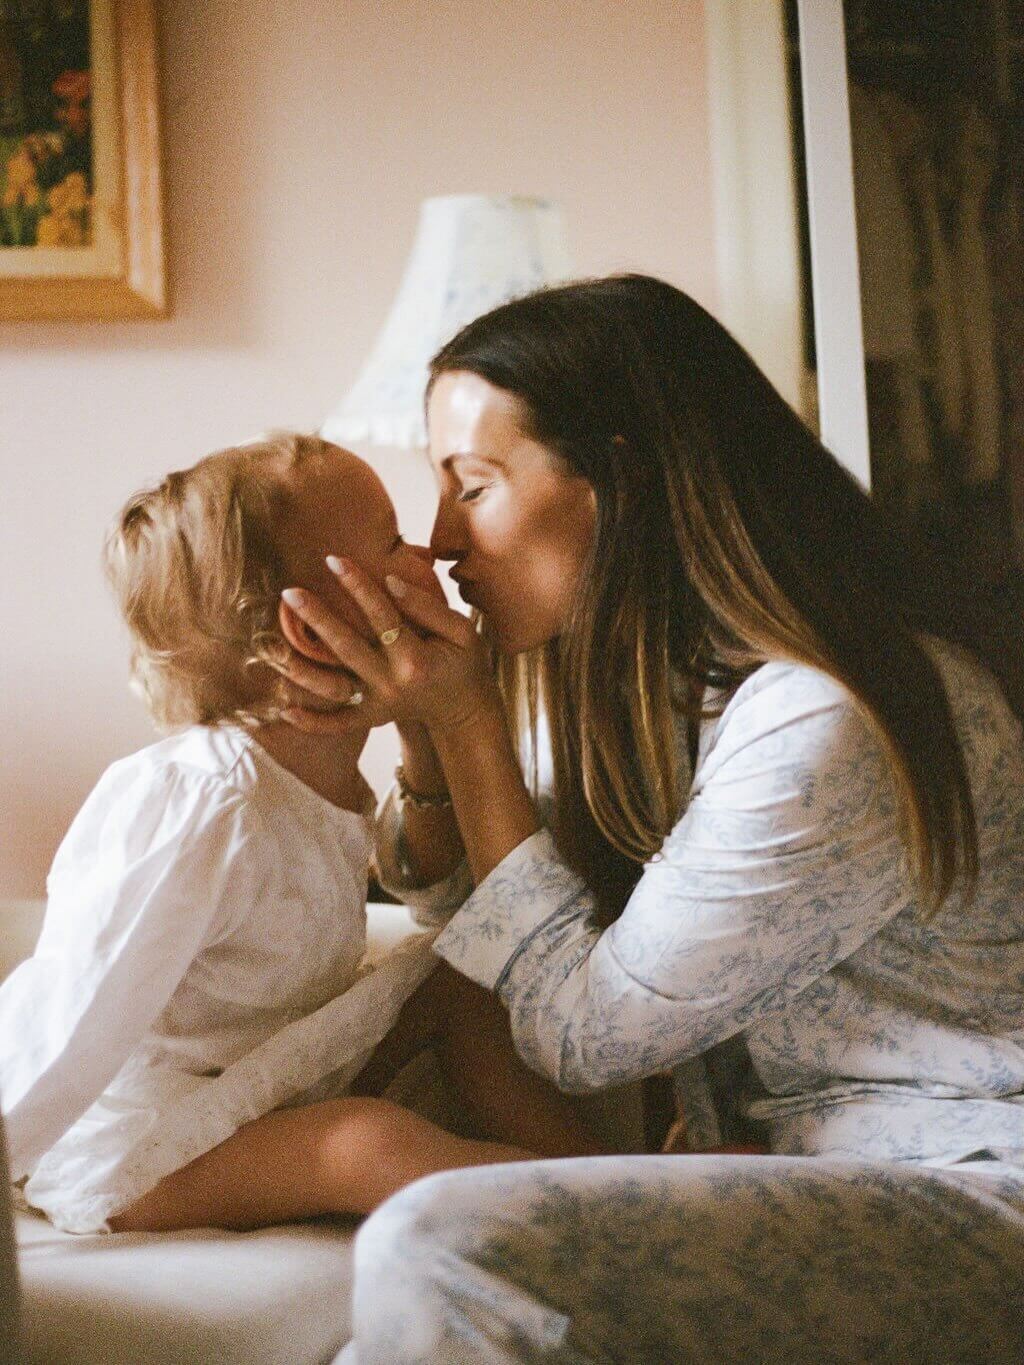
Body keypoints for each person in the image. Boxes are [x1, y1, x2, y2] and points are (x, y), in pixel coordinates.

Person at [276, 276, 1024, 1363]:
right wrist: (429, 729)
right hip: (808, 1177)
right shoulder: (671, 692)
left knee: (439, 1244)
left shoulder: (825, 718)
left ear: (619, 482)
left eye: (471, 486)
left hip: (973, 1189)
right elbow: (488, 925)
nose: (440, 541)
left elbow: (587, 1034)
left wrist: (470, 722)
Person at [0, 432, 599, 1238]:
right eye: (392, 541)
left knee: (469, 973)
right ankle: (622, 1203)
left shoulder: (319, 773)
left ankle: (583, 1167)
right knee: (362, 1144)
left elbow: (416, 876)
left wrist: (429, 727)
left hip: (259, 1079)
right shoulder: (203, 798)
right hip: (138, 1141)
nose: (426, 550)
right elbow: (80, 1000)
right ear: (312, 632)